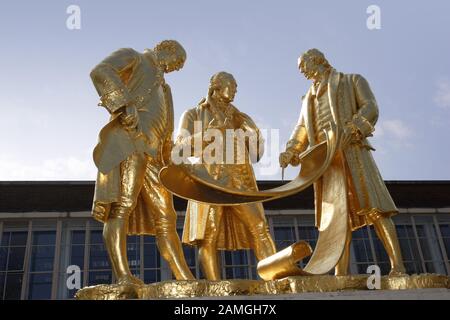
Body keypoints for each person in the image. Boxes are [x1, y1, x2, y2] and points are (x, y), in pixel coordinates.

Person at [279, 49, 406, 276]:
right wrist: (291, 150)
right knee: (336, 221)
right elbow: (301, 129)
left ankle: (398, 267)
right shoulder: (307, 98)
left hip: (352, 153)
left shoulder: (351, 80)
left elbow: (370, 107)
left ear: (316, 60)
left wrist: (353, 127)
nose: (301, 71)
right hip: (326, 163)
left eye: (303, 65)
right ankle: (340, 275)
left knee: (377, 209)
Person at [90, 40, 195, 286]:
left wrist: (176, 159)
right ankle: (123, 275)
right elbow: (101, 71)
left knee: (167, 217)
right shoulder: (133, 56)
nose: (177, 68)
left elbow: (166, 131)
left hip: (155, 157)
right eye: (177, 61)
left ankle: (185, 279)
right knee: (122, 206)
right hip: (131, 142)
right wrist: (124, 106)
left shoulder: (166, 89)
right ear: (165, 49)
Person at [175, 72, 276, 280]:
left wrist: (249, 129)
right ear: (217, 86)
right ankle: (215, 287)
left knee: (260, 227)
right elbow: (179, 150)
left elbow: (257, 154)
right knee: (208, 235)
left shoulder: (240, 116)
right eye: (233, 85)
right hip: (209, 181)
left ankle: (276, 280)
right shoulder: (193, 114)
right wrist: (208, 134)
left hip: (241, 180)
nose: (236, 89)